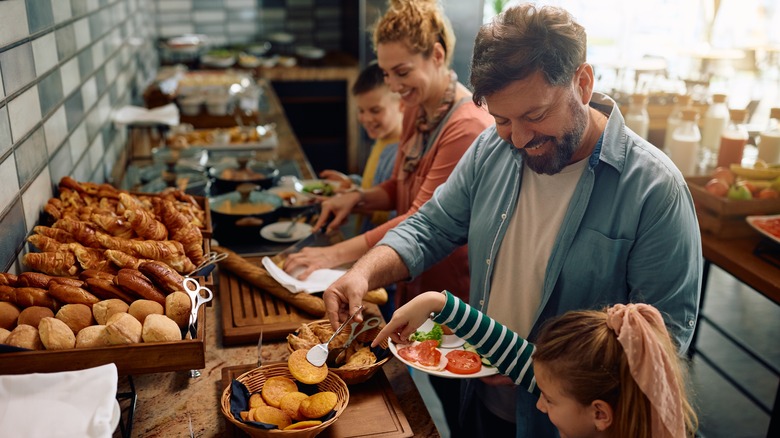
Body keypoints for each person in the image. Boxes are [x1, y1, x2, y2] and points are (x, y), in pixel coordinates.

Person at [322, 3, 702, 437]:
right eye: (502, 119)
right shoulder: (491, 149)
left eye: (536, 115)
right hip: (481, 400)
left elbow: (659, 350)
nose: (519, 139)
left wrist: (526, 363)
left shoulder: (654, 190)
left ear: (582, 82)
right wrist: (363, 271)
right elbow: (430, 227)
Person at [284, 0, 494, 432]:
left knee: (455, 401)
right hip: (412, 280)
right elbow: (403, 189)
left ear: (437, 56)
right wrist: (358, 198)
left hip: (453, 292)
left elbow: (423, 217)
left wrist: (333, 256)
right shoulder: (417, 107)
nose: (395, 86)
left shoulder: (467, 126)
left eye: (402, 72)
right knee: (424, 386)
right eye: (387, 74)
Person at [372, 291, 699, 438]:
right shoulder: (589, 398)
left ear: (600, 413)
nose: (539, 403)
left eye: (549, 398)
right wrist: (438, 303)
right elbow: (520, 359)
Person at [317, 61, 402, 238]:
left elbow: (398, 217)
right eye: (361, 110)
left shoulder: (401, 151)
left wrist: (354, 202)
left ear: (401, 103)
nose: (366, 118)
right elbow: (374, 184)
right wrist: (352, 183)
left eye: (375, 110)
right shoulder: (382, 139)